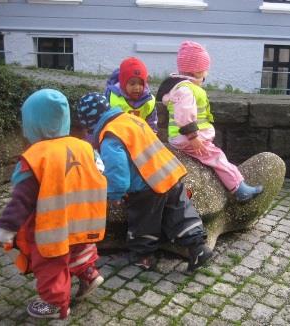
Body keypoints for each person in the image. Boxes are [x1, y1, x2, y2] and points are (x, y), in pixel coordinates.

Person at [0, 89, 108, 319]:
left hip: (52, 229)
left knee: (50, 267)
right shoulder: (84, 147)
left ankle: (56, 305)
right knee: (79, 251)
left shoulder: (36, 157)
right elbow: (99, 171)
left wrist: (6, 229)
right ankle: (90, 274)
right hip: (84, 221)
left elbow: (21, 199)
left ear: (33, 125)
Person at [76, 92, 212, 272]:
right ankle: (198, 247)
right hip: (169, 173)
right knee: (179, 212)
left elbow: (117, 172)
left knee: (143, 222)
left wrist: (115, 194)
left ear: (90, 124)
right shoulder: (131, 120)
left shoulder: (110, 136)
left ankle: (144, 257)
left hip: (147, 185)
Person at [156, 40, 263, 202]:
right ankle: (239, 189)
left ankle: (238, 185)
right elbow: (183, 115)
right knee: (217, 157)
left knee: (215, 157)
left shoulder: (181, 88)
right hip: (188, 138)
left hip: (186, 137)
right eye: (205, 71)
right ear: (197, 71)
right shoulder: (186, 90)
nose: (206, 74)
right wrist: (193, 137)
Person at [104, 56, 158, 132]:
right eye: (132, 84)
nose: (137, 88)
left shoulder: (149, 101)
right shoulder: (111, 96)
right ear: (123, 83)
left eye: (141, 84)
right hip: (116, 136)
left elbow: (152, 123)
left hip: (140, 137)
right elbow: (103, 120)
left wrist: (151, 139)